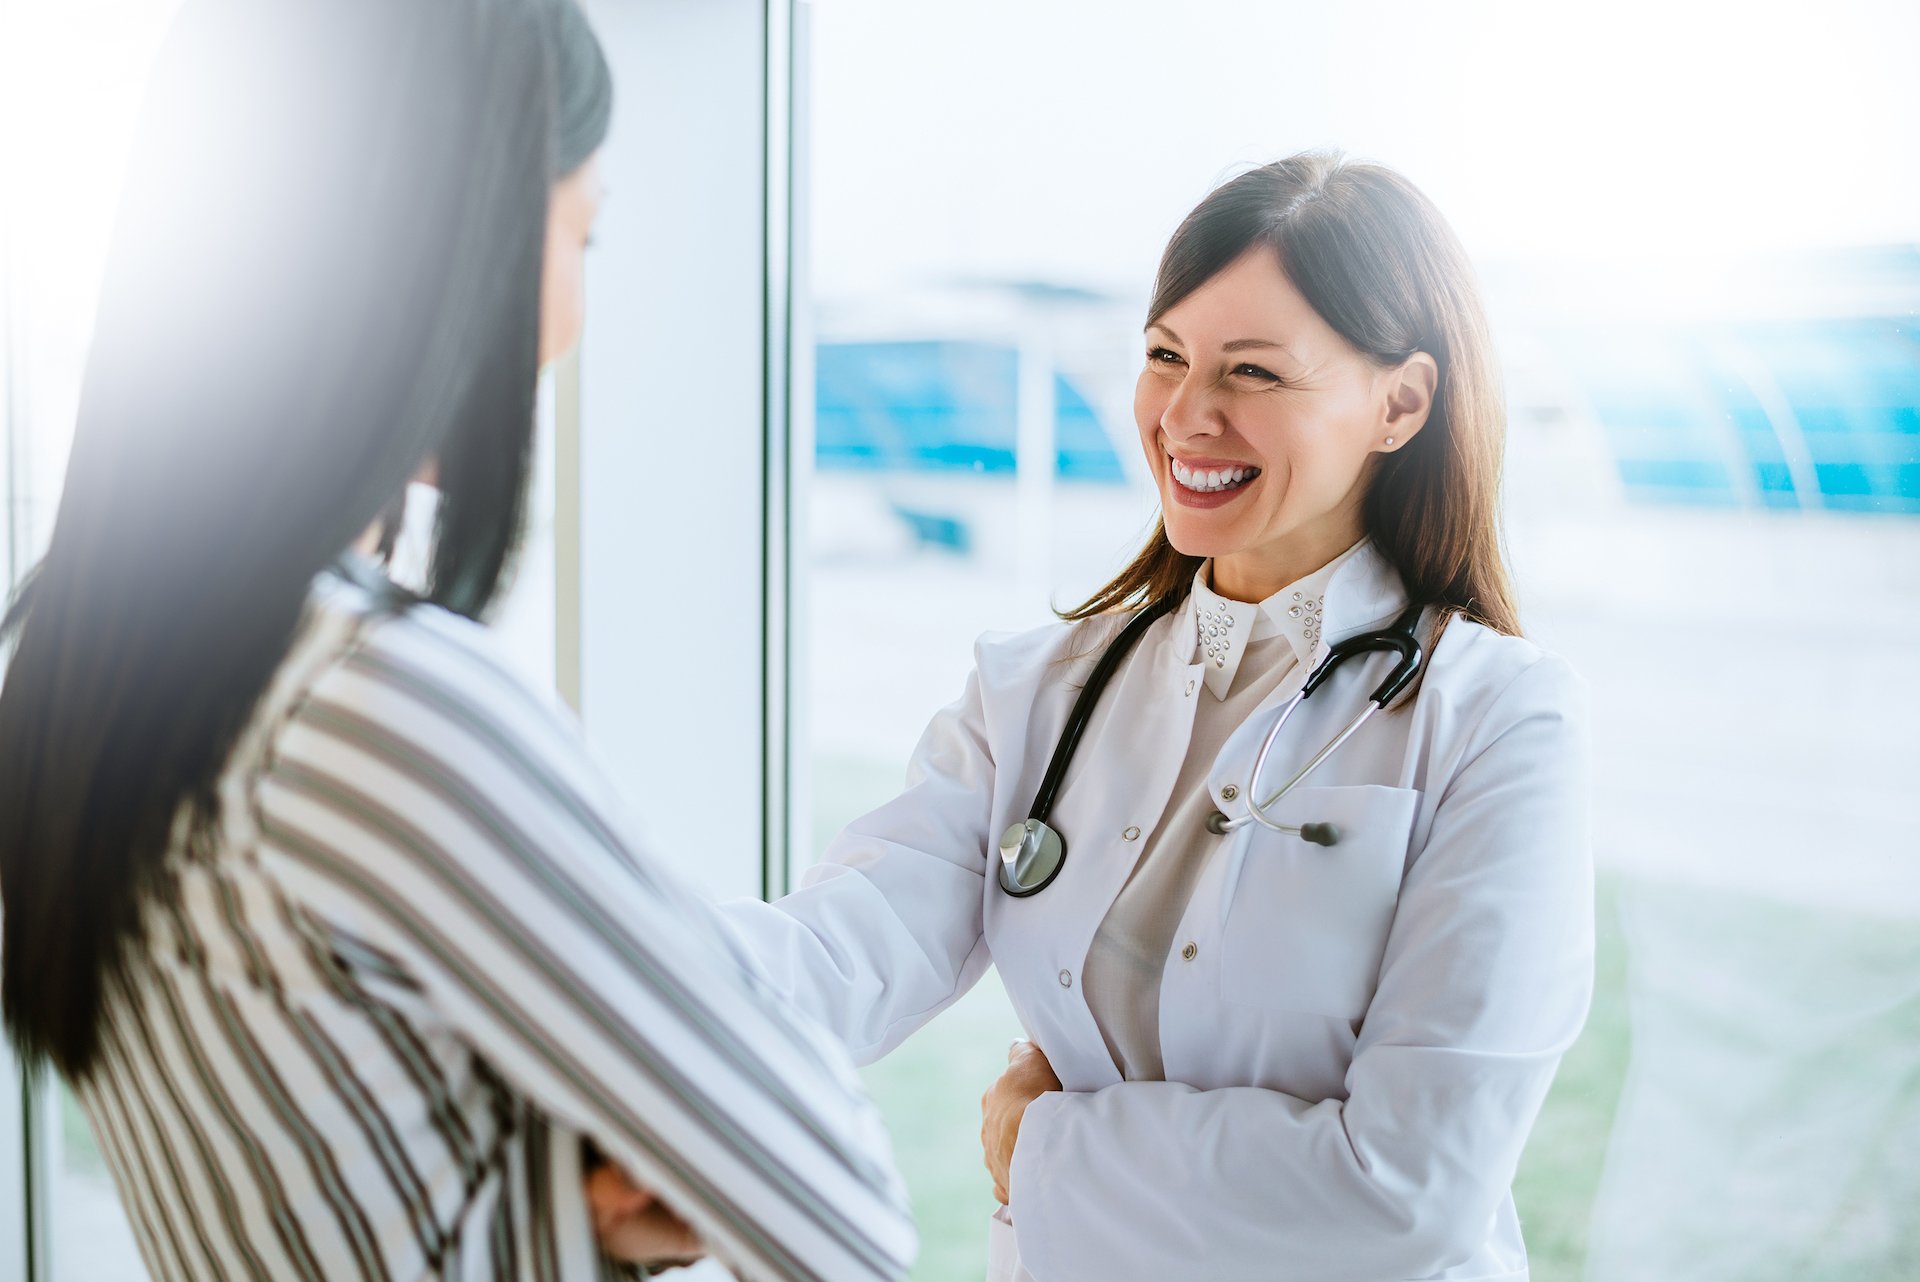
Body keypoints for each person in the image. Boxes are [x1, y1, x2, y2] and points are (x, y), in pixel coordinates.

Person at [0, 2, 914, 1280]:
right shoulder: (374, 698)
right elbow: (843, 1202)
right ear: (452, 241)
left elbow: (330, 1152)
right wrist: (618, 1181)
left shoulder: (80, 655)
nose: (570, 313)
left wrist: (566, 1195)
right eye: (579, 234)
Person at [709, 152, 1593, 1281]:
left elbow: (1408, 1192)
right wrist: (594, 970)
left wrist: (1049, 1144)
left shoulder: (1499, 721)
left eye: (1255, 373)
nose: (1185, 415)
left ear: (1402, 402)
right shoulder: (1040, 690)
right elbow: (840, 950)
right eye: (1166, 356)